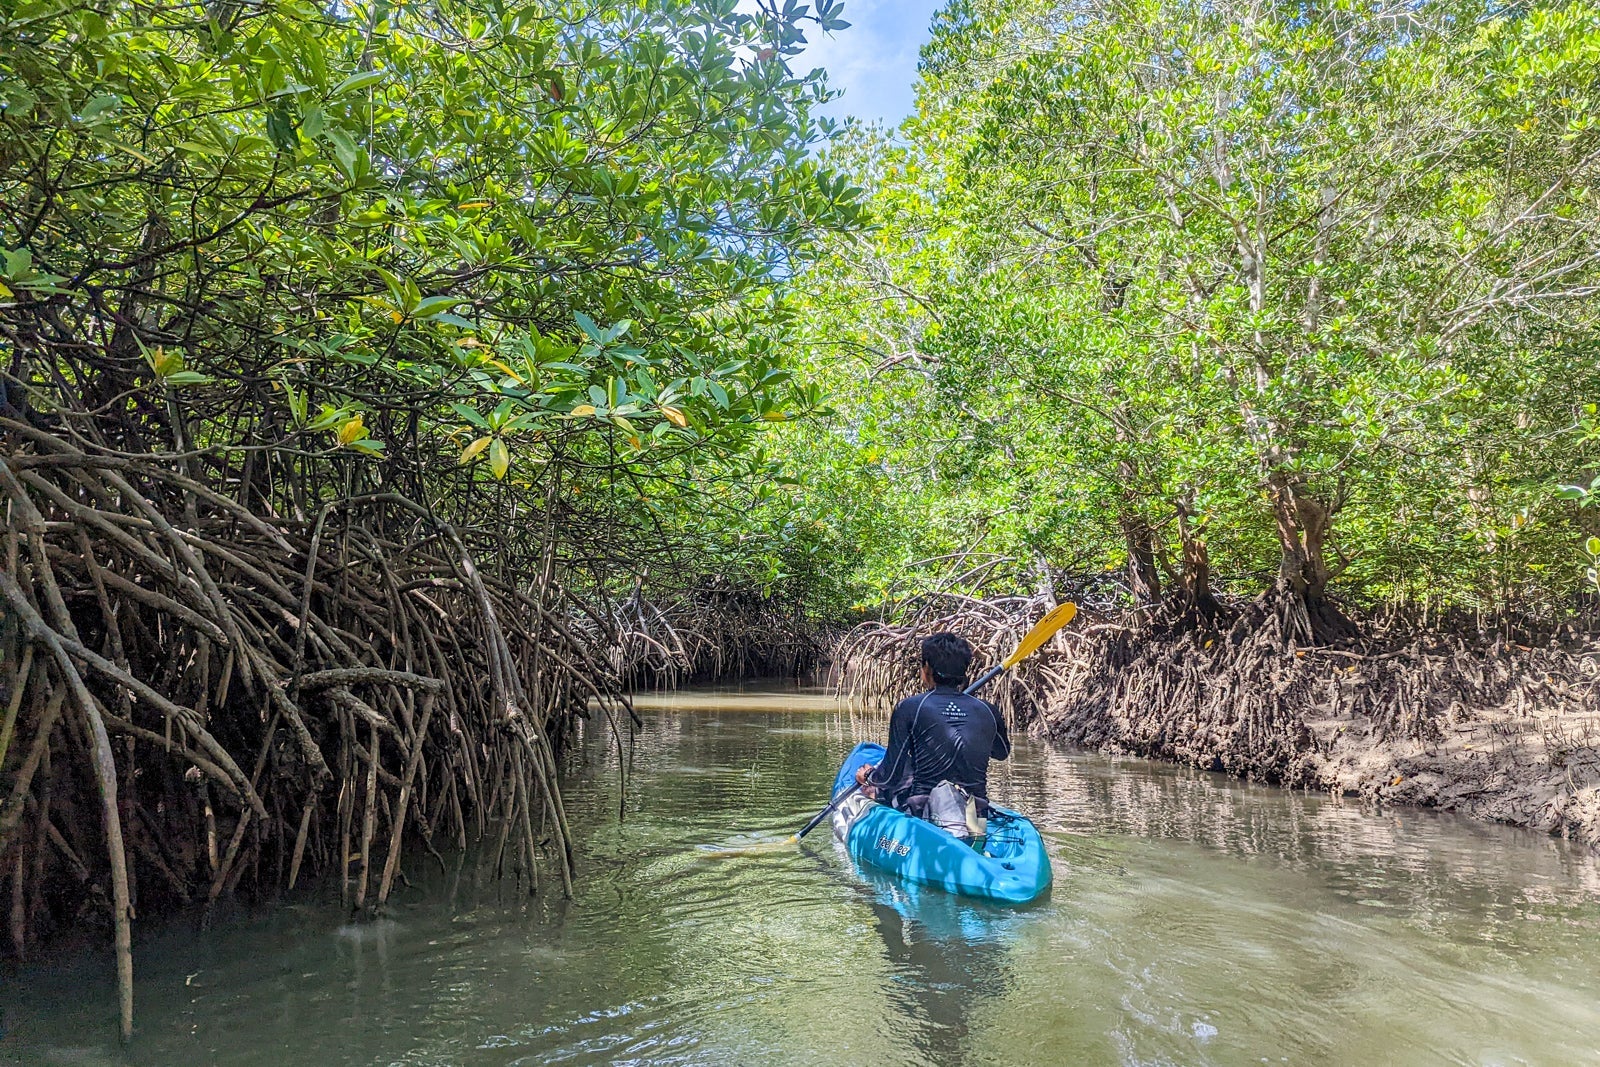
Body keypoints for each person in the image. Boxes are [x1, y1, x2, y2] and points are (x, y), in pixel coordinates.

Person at [854, 632, 1011, 825]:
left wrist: (868, 776)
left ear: (927, 668)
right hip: (977, 813)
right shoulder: (988, 710)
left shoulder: (910, 707)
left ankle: (875, 794)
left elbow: (889, 777)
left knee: (897, 775)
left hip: (923, 811)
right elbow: (1001, 753)